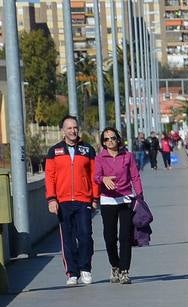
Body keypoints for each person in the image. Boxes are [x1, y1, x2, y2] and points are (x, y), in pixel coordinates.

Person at [44, 115, 99, 286]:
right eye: (69, 128)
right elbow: (49, 177)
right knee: (67, 238)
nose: (73, 131)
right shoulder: (54, 152)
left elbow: (94, 176)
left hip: (84, 200)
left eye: (75, 127)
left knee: (85, 236)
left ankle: (85, 269)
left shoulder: (87, 150)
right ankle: (72, 272)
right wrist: (51, 199)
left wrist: (95, 198)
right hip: (63, 201)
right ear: (63, 131)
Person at [93, 127, 144, 284]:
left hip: (125, 200)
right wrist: (103, 179)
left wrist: (139, 196)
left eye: (113, 138)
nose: (110, 141)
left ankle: (124, 271)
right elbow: (96, 176)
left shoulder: (127, 156)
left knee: (125, 237)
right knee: (109, 238)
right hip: (108, 201)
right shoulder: (100, 158)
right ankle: (115, 265)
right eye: (107, 139)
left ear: (118, 139)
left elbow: (135, 176)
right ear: (103, 142)